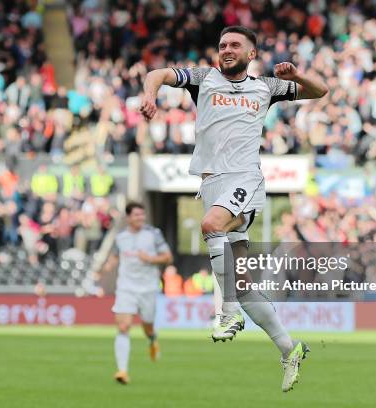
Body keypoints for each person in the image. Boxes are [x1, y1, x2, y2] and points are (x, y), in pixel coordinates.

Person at [139, 25, 328, 392]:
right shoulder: (203, 79)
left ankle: (226, 313)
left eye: (235, 45)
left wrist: (297, 76)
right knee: (242, 286)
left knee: (211, 225)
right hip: (211, 183)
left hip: (244, 179)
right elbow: (157, 73)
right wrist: (150, 96)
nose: (226, 49)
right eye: (222, 44)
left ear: (251, 54)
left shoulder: (266, 87)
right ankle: (290, 348)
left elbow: (321, 91)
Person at [103, 202, 173, 385]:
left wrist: (150, 258)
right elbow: (115, 256)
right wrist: (107, 266)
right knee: (123, 326)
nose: (140, 218)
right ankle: (122, 371)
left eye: (142, 215)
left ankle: (152, 338)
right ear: (128, 218)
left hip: (148, 287)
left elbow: (168, 257)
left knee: (147, 326)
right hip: (126, 287)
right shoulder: (120, 238)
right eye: (137, 215)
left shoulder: (153, 234)